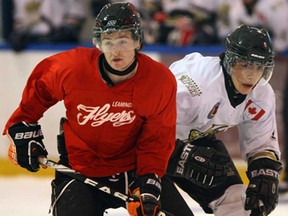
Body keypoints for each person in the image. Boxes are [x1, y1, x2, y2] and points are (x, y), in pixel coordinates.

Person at [2, 2, 194, 216]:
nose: (115, 51)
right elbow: (38, 92)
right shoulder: (71, 68)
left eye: (123, 41)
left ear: (137, 41)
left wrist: (148, 183)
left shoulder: (159, 80)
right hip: (79, 169)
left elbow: (157, 139)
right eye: (108, 41)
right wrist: (21, 127)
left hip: (133, 170)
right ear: (98, 43)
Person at [165, 24, 283, 215]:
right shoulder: (195, 86)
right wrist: (181, 156)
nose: (252, 75)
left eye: (259, 66)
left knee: (238, 205)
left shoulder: (261, 93)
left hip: (194, 141)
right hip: (148, 151)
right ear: (230, 61)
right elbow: (140, 128)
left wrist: (265, 174)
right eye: (245, 65)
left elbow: (261, 144)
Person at [9, 0, 87, 52]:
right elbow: (19, 19)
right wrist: (19, 33)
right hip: (32, 46)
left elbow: (77, 12)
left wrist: (68, 29)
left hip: (60, 46)